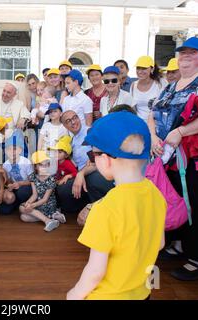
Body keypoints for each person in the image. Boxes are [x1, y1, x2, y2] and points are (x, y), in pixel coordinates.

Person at [149, 37, 198, 281]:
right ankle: (181, 245)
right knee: (174, 200)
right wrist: (153, 136)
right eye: (182, 52)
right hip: (167, 156)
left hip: (196, 156)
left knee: (195, 203)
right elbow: (153, 113)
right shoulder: (172, 85)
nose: (185, 56)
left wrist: (181, 131)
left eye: (192, 53)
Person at [67, 111, 166, 300]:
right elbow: (160, 243)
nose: (93, 158)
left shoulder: (105, 209)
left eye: (92, 153)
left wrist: (75, 294)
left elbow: (95, 272)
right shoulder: (155, 194)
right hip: (141, 293)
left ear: (105, 159)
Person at [56, 110, 114, 215]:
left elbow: (101, 159)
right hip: (83, 175)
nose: (73, 122)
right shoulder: (71, 141)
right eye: (68, 121)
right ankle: (83, 207)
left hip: (98, 172)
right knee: (63, 189)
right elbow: (74, 165)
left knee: (92, 180)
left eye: (75, 118)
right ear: (65, 126)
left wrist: (81, 173)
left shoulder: (91, 131)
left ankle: (100, 212)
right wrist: (70, 175)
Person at [19, 151, 64, 232]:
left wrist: (32, 205)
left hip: (47, 204)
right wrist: (28, 203)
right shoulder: (33, 177)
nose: (44, 167)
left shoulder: (51, 178)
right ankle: (52, 217)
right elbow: (34, 195)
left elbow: (45, 199)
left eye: (46, 164)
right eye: (41, 165)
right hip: (37, 203)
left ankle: (48, 220)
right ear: (36, 166)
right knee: (23, 216)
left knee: (24, 210)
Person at [0, 131, 33, 215]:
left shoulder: (26, 162)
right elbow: (9, 180)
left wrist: (20, 183)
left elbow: (32, 180)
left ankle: (25, 203)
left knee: (22, 192)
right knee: (3, 210)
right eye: (9, 149)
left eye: (15, 149)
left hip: (26, 187)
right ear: (5, 151)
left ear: (20, 150)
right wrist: (9, 185)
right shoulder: (5, 164)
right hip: (15, 189)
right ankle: (17, 204)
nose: (12, 152)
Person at [130, 55, 165, 122]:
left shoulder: (160, 84)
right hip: (139, 125)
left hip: (156, 126)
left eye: (144, 68)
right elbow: (133, 109)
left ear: (152, 69)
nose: (140, 71)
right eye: (138, 68)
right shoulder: (133, 85)